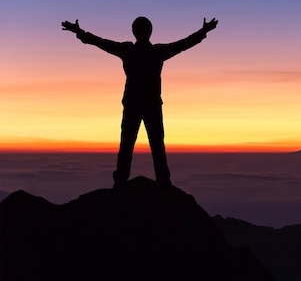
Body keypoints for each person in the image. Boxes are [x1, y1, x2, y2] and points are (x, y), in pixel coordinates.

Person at [61, 16, 218, 188]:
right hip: (147, 104)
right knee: (151, 143)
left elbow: (102, 43)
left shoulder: (131, 50)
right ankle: (159, 182)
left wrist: (79, 32)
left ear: (135, 32)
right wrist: (203, 32)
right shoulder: (153, 51)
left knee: (133, 143)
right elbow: (182, 45)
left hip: (136, 104)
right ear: (148, 32)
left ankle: (125, 181)